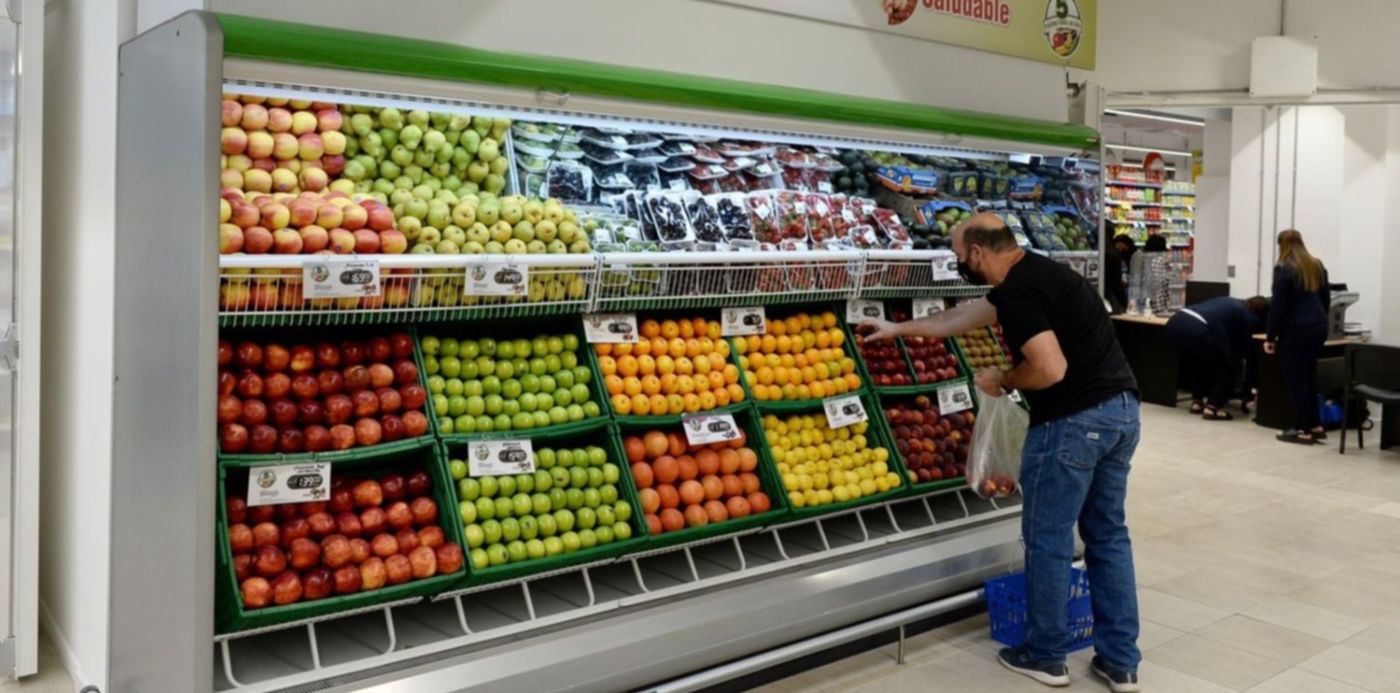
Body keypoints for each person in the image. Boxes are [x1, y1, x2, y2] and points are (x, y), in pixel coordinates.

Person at [864, 213, 1142, 692]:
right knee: (1108, 535)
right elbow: (961, 317)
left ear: (976, 252)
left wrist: (1004, 380)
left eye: (957, 255)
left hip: (1073, 424)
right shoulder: (1040, 272)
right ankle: (1121, 662)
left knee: (1049, 541)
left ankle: (1047, 655)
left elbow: (1050, 369)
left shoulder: (1018, 293)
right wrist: (896, 329)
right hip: (1122, 413)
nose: (957, 263)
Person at [1265, 229, 1330, 445]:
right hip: (1318, 327)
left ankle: (1302, 429)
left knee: (1295, 379)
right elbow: (1326, 299)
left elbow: (1278, 306)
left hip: (1296, 330)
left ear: (1281, 246)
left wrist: (1270, 337)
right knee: (1309, 376)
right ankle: (1315, 424)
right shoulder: (1316, 265)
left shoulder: (1283, 268)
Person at [1165, 296, 1270, 419]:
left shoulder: (1230, 301)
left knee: (1196, 360)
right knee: (1231, 365)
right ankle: (1212, 407)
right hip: (1197, 328)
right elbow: (1247, 348)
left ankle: (1197, 402)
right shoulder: (1250, 316)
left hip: (1176, 322)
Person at [1103, 234, 1135, 313]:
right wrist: (1126, 303)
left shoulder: (1109, 253)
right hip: (1112, 299)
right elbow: (1116, 285)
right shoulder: (1114, 256)